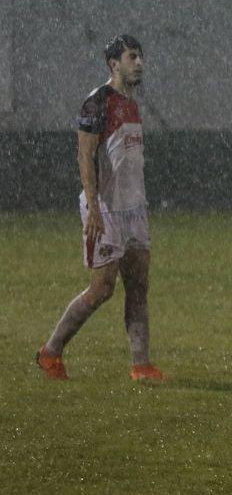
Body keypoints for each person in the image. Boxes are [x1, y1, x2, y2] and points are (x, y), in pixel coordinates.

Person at [36, 35, 166, 382]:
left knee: (138, 286)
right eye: (132, 57)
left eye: (141, 57)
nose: (139, 63)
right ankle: (50, 352)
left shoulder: (132, 103)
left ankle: (141, 366)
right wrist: (93, 208)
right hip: (106, 211)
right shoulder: (98, 102)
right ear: (114, 64)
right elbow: (85, 156)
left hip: (134, 210)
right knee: (101, 289)